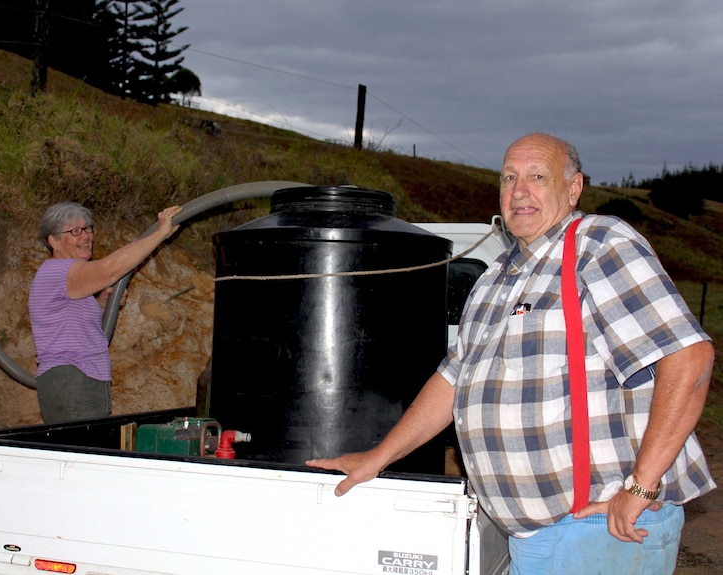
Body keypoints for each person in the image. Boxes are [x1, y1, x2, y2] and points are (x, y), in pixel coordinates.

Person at [306, 133, 715, 574]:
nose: (519, 190)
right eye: (509, 178)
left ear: (574, 188)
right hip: (531, 535)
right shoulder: (495, 278)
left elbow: (688, 358)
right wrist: (378, 457)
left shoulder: (598, 245)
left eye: (537, 176)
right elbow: (452, 382)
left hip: (596, 528)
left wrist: (641, 488)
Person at [28, 202, 182, 424]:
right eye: (75, 231)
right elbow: (110, 270)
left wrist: (101, 304)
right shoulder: (58, 272)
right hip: (72, 378)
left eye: (88, 229)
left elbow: (70, 325)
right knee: (84, 453)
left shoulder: (69, 279)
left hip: (82, 378)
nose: (86, 236)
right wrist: (159, 234)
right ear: (54, 241)